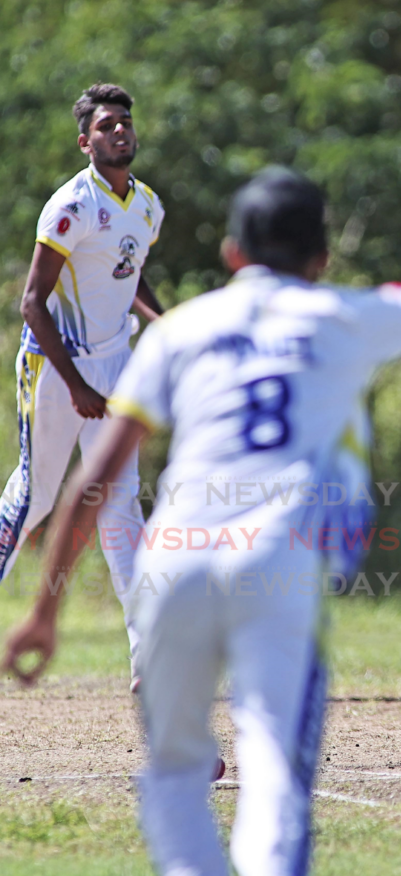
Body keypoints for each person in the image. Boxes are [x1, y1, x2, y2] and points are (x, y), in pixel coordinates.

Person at [2, 131, 401, 876]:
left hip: (171, 566)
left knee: (175, 778)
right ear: (322, 259)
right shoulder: (341, 316)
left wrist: (44, 609)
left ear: (234, 254)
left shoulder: (183, 330)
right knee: (271, 775)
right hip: (278, 564)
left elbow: (94, 477)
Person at [0, 83, 165, 691]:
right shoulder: (70, 206)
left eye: (124, 122)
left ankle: (150, 664)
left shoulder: (146, 205)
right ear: (85, 142)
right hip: (54, 367)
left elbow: (129, 272)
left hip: (115, 366)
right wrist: (75, 385)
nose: (118, 131)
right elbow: (32, 303)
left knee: (123, 509)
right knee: (37, 498)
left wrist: (164, 324)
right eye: (105, 126)